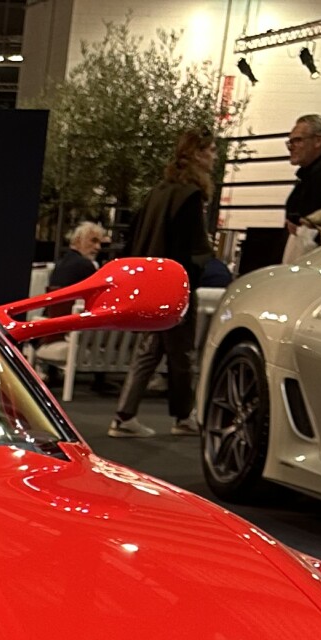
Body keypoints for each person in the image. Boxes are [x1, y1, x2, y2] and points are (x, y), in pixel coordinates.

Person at [109, 128, 216, 440]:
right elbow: (188, 248)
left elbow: (136, 235)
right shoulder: (190, 196)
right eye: (210, 150)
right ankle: (182, 416)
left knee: (151, 348)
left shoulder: (159, 191)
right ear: (197, 153)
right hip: (175, 283)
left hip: (152, 280)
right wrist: (192, 278)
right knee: (181, 352)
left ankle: (125, 415)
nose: (214, 157)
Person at [47, 221, 107, 293]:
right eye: (93, 241)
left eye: (100, 243)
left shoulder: (60, 263)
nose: (98, 247)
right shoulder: (84, 265)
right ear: (78, 240)